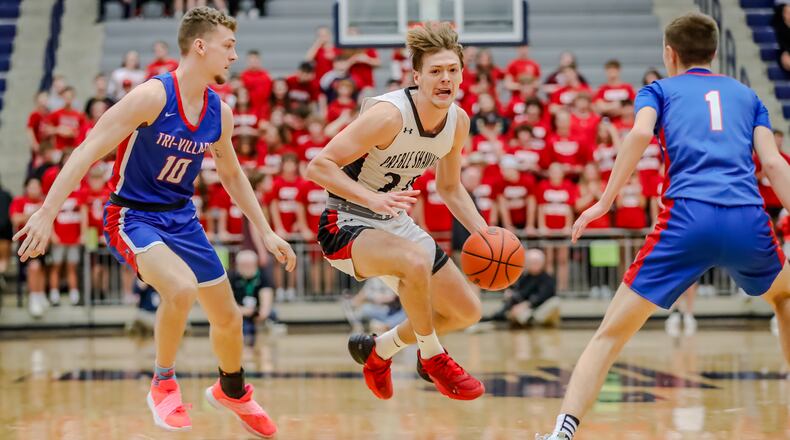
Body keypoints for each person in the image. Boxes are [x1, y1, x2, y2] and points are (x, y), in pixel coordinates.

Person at [14, 7, 295, 437]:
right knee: (179, 289)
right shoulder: (152, 96)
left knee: (229, 317)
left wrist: (266, 230)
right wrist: (47, 211)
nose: (234, 56)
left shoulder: (219, 111)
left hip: (182, 218)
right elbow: (89, 148)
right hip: (132, 214)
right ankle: (163, 384)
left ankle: (232, 390)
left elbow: (233, 174)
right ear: (200, 46)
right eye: (228, 46)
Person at [536, 13, 790, 440]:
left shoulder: (658, 90)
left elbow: (637, 136)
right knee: (784, 297)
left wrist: (604, 200)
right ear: (714, 52)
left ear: (669, 54)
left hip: (687, 218)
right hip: (747, 215)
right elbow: (771, 164)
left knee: (608, 337)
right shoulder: (747, 96)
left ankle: (562, 433)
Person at [305, 22, 486, 401]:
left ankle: (379, 350)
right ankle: (433, 356)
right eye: (435, 71)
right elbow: (319, 166)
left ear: (462, 75)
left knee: (466, 312)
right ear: (416, 76)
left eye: (452, 70)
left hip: (393, 221)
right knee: (414, 262)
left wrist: (483, 230)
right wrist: (373, 200)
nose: (445, 79)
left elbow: (449, 187)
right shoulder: (389, 115)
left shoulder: (458, 121)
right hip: (347, 222)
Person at [490, 249, 557, 326]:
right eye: (532, 262)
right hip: (524, 309)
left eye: (536, 262)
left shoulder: (547, 279)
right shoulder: (523, 277)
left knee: (555, 302)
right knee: (519, 313)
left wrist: (526, 304)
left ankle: (532, 320)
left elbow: (542, 296)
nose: (534, 264)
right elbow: (518, 293)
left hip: (539, 308)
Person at [230, 250, 282, 347]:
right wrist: (243, 311)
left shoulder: (263, 276)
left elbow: (266, 303)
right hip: (238, 312)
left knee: (272, 315)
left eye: (250, 265)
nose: (247, 268)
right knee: (243, 325)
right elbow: (226, 304)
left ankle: (266, 349)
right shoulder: (231, 277)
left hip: (257, 311)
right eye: (243, 265)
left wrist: (260, 314)